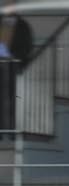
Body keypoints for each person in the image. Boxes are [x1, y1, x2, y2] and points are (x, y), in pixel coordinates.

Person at [0, 3, 34, 133]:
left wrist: (15, 58)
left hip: (13, 69)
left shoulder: (22, 26)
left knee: (11, 101)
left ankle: (10, 130)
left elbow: (26, 48)